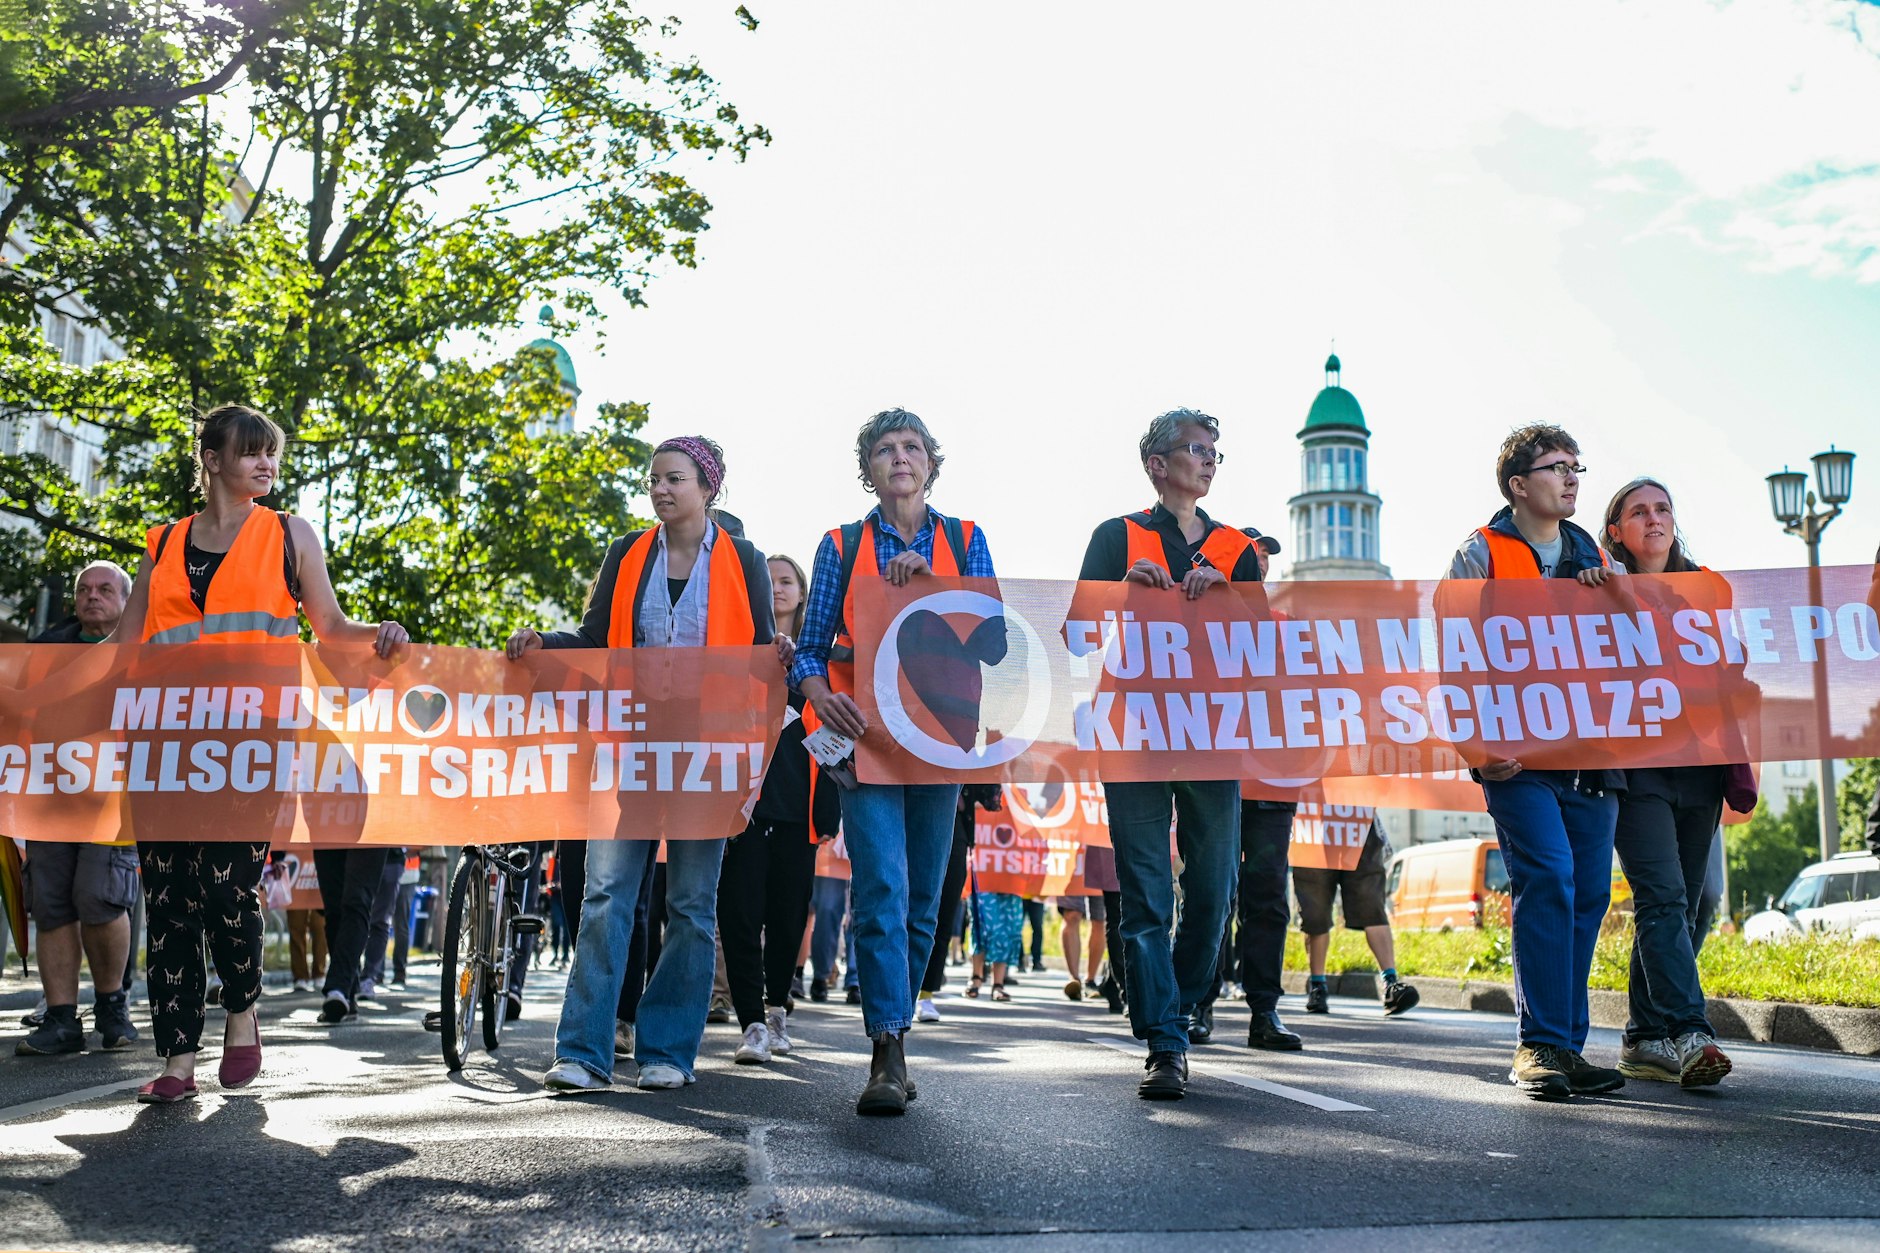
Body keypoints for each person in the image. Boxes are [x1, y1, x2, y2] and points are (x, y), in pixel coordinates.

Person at [111, 403, 408, 1102]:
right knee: (169, 900)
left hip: (251, 740)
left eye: (271, 451)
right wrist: (35, 685)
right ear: (212, 460)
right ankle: (178, 1059)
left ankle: (241, 1012)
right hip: (166, 743)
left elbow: (330, 626)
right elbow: (121, 649)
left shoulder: (289, 534)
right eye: (251, 451)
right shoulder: (162, 545)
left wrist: (381, 633)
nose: (266, 463)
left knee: (226, 888)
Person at [514, 435, 777, 1094]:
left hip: (706, 752)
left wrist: (783, 658)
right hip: (628, 746)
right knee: (606, 895)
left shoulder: (745, 559)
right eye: (654, 478)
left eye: (674, 478)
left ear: (708, 487)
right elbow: (595, 638)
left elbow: (763, 651)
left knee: (690, 905)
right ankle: (583, 1050)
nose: (660, 489)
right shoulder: (626, 553)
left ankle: (668, 1051)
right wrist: (544, 642)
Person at [791, 407, 997, 1116]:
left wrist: (935, 586)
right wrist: (822, 698)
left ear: (931, 464)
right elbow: (810, 649)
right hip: (868, 741)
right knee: (881, 886)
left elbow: (997, 641)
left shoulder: (965, 540)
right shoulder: (840, 545)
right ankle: (886, 1048)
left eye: (912, 447)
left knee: (922, 900)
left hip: (940, 741)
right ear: (869, 470)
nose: (899, 457)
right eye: (884, 449)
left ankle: (897, 1025)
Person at [1075, 408, 1263, 1100]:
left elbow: (1267, 648)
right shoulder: (1115, 537)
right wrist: (1121, 592)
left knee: (1213, 891)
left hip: (1212, 735)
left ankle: (1178, 1006)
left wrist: (1229, 599)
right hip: (1134, 734)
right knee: (1147, 894)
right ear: (1158, 465)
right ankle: (1164, 1038)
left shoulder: (1238, 550)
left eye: (1216, 451)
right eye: (1196, 449)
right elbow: (1075, 633)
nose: (1209, 460)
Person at [1442, 424, 1625, 1102]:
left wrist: (1616, 595)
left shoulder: (1596, 556)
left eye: (1577, 466)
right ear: (1519, 485)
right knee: (1547, 875)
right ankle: (1538, 1045)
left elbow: (1636, 646)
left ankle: (1566, 1047)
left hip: (1590, 756)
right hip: (1515, 758)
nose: (1572, 478)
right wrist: (1474, 748)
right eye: (1556, 467)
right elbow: (1454, 652)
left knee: (1589, 894)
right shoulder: (1479, 553)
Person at [1598, 477, 1732, 1087]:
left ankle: (1642, 1037)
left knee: (1693, 904)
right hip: (1638, 769)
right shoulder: (1596, 592)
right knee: (1664, 898)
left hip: (1701, 765)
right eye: (1639, 511)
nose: (1654, 518)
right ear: (1616, 531)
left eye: (1663, 509)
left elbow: (1733, 665)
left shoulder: (1706, 591)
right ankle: (1690, 1032)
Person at [15, 561, 141, 1057]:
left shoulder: (146, 652)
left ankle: (112, 1008)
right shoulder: (43, 651)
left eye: (106, 589)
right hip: (49, 796)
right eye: (84, 589)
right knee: (51, 904)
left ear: (127, 601)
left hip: (114, 798)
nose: (93, 596)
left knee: (100, 896)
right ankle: (61, 1019)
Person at [717, 555, 839, 1065]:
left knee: (789, 919)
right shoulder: (737, 648)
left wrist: (829, 808)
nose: (777, 589)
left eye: (787, 581)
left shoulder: (819, 657)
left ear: (803, 592)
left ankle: (776, 1011)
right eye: (768, 581)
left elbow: (835, 735)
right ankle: (750, 1024)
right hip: (743, 809)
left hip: (798, 810)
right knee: (739, 914)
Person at [1294, 817, 1420, 1017]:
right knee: (1315, 912)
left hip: (1357, 823)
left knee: (1372, 905)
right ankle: (1317, 986)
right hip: (1313, 826)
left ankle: (1391, 983)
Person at [283, 854, 326, 993]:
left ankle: (319, 972)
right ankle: (300, 976)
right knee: (296, 927)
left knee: (320, 927)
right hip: (295, 872)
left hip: (319, 871)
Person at [1056, 889, 1107, 1001]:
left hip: (1101, 878)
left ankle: (1090, 981)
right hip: (1073, 878)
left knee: (1099, 921)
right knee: (1072, 915)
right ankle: (1074, 979)